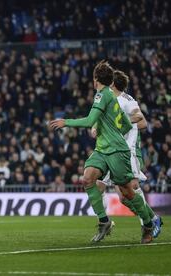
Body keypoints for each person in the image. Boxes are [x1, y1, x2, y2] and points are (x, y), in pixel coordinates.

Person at [50, 61, 154, 244]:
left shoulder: (102, 95)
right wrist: (109, 131)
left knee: (127, 193)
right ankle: (104, 222)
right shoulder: (112, 98)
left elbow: (90, 121)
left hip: (116, 152)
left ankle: (148, 224)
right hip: (102, 149)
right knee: (88, 178)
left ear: (95, 79)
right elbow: (127, 125)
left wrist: (66, 122)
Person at [94, 70, 163, 238]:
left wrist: (123, 123)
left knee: (129, 191)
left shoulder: (126, 100)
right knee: (102, 188)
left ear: (112, 84)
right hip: (109, 150)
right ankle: (105, 222)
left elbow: (142, 120)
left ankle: (150, 221)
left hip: (125, 151)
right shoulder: (108, 99)